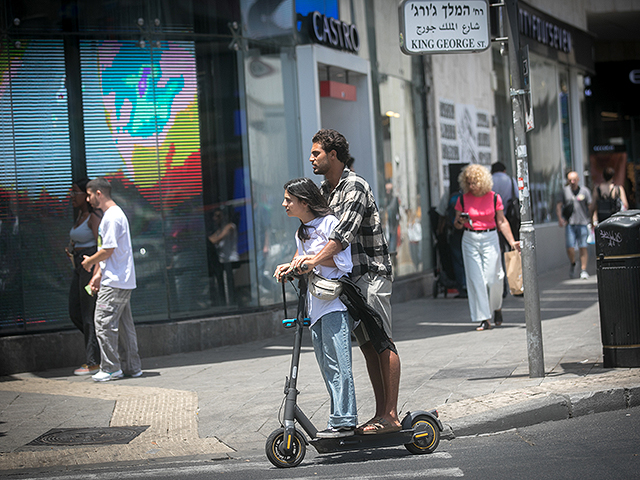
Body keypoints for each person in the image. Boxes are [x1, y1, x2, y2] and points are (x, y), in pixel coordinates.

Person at [298, 128, 401, 435]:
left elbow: (341, 235)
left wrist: (314, 261)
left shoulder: (354, 185)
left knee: (383, 342)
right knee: (368, 346)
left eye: (316, 153)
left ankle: (391, 415)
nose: (312, 158)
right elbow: (314, 231)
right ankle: (380, 414)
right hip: (350, 281)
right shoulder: (324, 190)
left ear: (333, 155)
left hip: (371, 274)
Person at [274, 177, 357, 438]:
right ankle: (338, 418)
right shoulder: (302, 231)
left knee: (340, 363)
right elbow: (303, 262)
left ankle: (345, 419)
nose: (284, 204)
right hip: (315, 306)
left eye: (289, 200)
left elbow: (343, 264)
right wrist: (290, 266)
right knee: (327, 365)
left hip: (334, 304)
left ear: (304, 202)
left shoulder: (329, 224)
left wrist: (310, 261)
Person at [81, 177, 142, 382]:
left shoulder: (111, 217)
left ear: (99, 193)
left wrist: (90, 262)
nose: (88, 199)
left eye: (89, 194)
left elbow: (108, 250)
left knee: (103, 323)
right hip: (119, 279)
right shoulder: (115, 215)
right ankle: (132, 367)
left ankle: (110, 368)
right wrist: (98, 274)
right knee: (124, 327)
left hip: (114, 282)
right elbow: (108, 251)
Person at [454, 164, 520, 331]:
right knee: (476, 280)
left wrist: (512, 242)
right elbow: (456, 224)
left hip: (490, 237)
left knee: (494, 278)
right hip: (470, 238)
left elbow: (502, 221)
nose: (471, 186)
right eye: (468, 183)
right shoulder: (462, 199)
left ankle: (496, 307)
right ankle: (483, 318)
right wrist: (460, 221)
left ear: (483, 181)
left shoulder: (494, 197)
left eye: (474, 182)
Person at [66, 178, 101, 375]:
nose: (72, 196)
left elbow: (100, 246)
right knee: (75, 311)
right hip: (78, 264)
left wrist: (96, 271)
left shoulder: (94, 217)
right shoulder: (80, 216)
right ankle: (98, 349)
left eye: (76, 192)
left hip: (89, 266)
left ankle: (93, 361)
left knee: (88, 314)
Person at [556, 171, 592, 280]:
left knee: (583, 246)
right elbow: (558, 206)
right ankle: (573, 263)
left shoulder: (584, 191)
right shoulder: (564, 191)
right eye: (570, 180)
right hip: (570, 224)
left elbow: (590, 206)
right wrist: (560, 218)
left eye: (574, 179)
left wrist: (592, 219)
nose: (572, 182)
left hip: (582, 223)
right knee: (570, 247)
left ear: (578, 179)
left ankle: (584, 270)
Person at [491, 162, 519, 297]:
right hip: (511, 220)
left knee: (498, 253)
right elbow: (519, 198)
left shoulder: (490, 181)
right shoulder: (511, 180)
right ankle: (516, 283)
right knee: (513, 251)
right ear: (504, 169)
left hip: (494, 222)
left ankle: (502, 287)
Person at [208, 207, 239, 305]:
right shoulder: (219, 230)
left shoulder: (230, 227)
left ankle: (231, 304)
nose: (216, 219)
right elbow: (211, 239)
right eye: (215, 216)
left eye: (218, 216)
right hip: (222, 262)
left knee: (227, 286)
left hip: (230, 261)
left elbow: (216, 239)